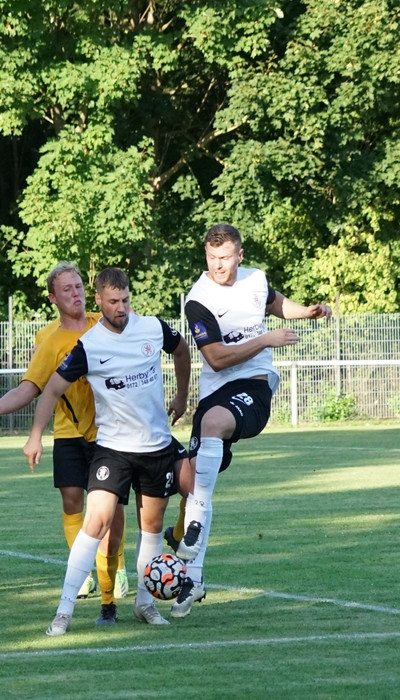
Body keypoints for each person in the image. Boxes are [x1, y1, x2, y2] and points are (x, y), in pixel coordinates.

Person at [168, 223, 332, 617]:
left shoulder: (255, 279)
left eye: (225, 258)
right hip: (216, 393)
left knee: (211, 429)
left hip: (254, 388)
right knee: (190, 482)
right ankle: (193, 573)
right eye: (212, 258)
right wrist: (264, 339)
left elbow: (275, 303)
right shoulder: (198, 299)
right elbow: (216, 358)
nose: (218, 265)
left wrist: (307, 312)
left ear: (239, 256)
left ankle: (190, 536)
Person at [22, 267, 193, 634]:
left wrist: (181, 396)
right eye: (113, 301)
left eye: (126, 300)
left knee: (151, 527)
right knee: (96, 522)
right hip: (113, 449)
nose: (121, 308)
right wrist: (36, 435)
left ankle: (144, 604)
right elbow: (51, 389)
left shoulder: (152, 328)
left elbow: (182, 351)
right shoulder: (90, 345)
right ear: (99, 300)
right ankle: (64, 611)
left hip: (156, 447)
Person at [0, 261, 130, 623]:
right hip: (69, 433)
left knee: (112, 513)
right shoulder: (49, 340)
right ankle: (83, 571)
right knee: (73, 502)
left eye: (79, 286)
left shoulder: (105, 323)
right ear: (53, 298)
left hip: (110, 435)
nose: (76, 293)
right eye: (67, 289)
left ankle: (115, 568)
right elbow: (31, 388)